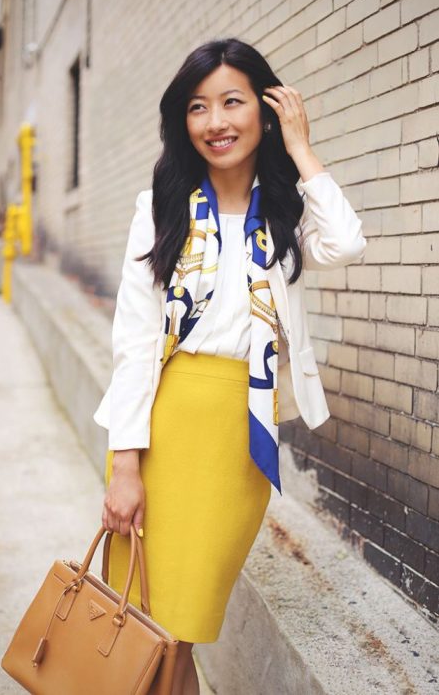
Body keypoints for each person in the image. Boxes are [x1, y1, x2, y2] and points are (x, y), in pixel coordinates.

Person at [93, 37, 366, 695]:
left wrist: (301, 149)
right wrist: (125, 463)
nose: (215, 121)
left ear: (264, 111)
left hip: (240, 432)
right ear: (181, 123)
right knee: (150, 621)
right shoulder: (157, 209)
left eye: (232, 102)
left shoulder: (284, 215)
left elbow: (347, 242)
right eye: (197, 107)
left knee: (183, 622)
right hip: (165, 420)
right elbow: (133, 340)